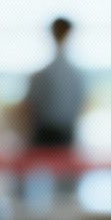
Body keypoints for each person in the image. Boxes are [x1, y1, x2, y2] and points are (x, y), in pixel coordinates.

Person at [22, 17, 87, 149]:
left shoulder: (41, 75)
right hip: (52, 134)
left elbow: (29, 107)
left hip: (53, 134)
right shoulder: (76, 75)